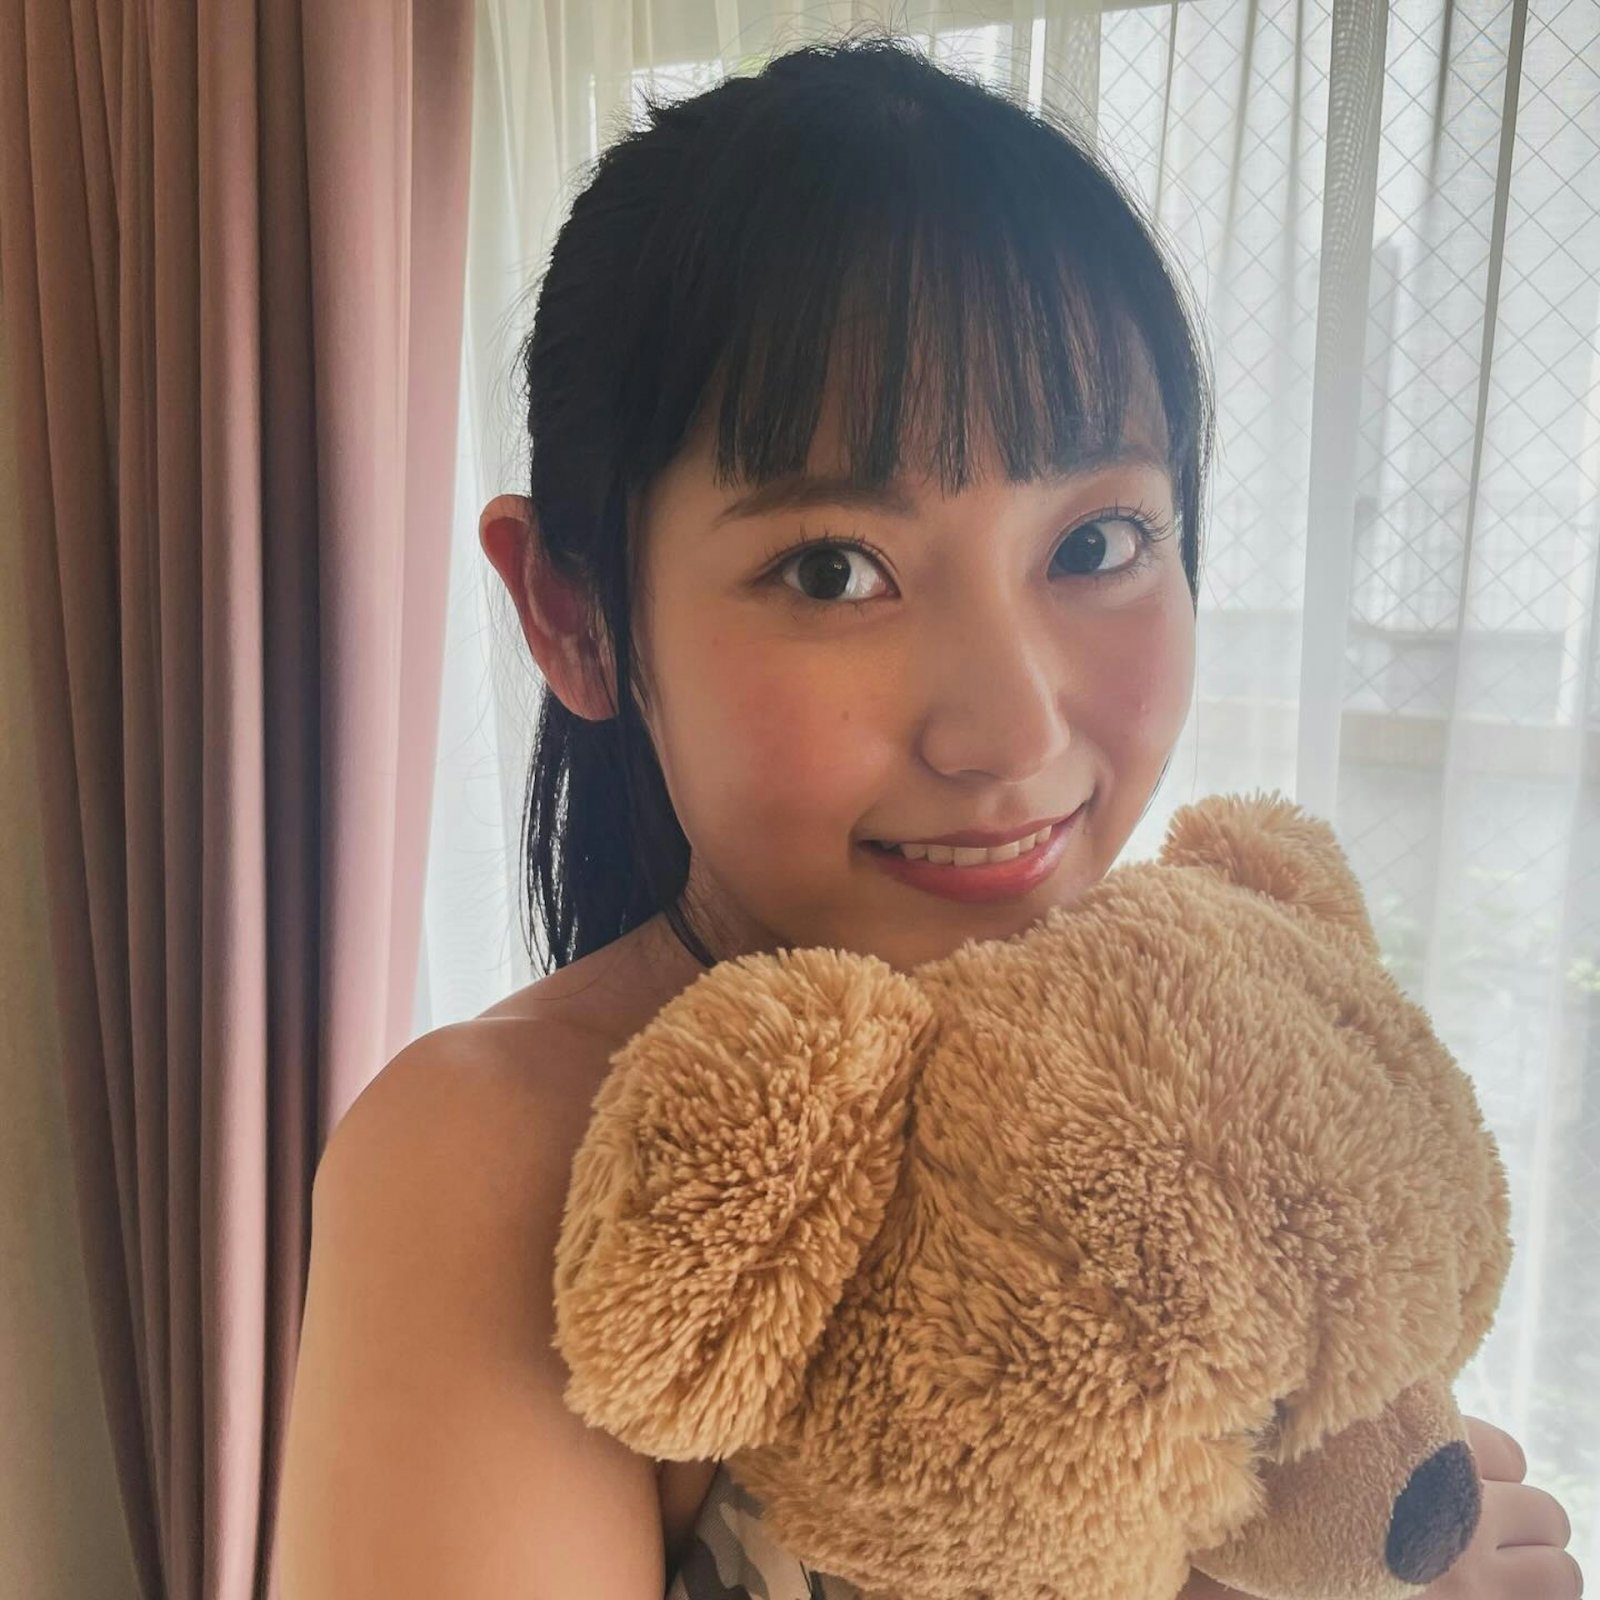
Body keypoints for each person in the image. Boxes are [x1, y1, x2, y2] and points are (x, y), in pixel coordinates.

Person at [273, 33, 1584, 1600]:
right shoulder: (499, 1157)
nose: (1013, 729)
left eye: (1098, 540)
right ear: (575, 613)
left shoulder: (1211, 1046)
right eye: (835, 569)